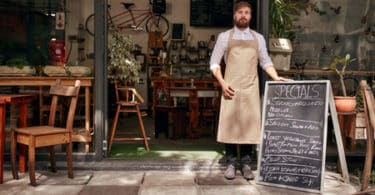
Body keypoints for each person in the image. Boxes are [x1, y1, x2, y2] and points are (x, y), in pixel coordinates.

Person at [209, 1, 290, 180]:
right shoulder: (224, 37)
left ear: (251, 16)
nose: (243, 15)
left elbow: (265, 61)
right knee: (230, 124)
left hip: (251, 88)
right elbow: (214, 63)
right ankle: (230, 163)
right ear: (234, 15)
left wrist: (275, 77)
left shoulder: (258, 38)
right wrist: (222, 83)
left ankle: (246, 163)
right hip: (230, 87)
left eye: (247, 13)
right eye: (240, 12)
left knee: (249, 124)